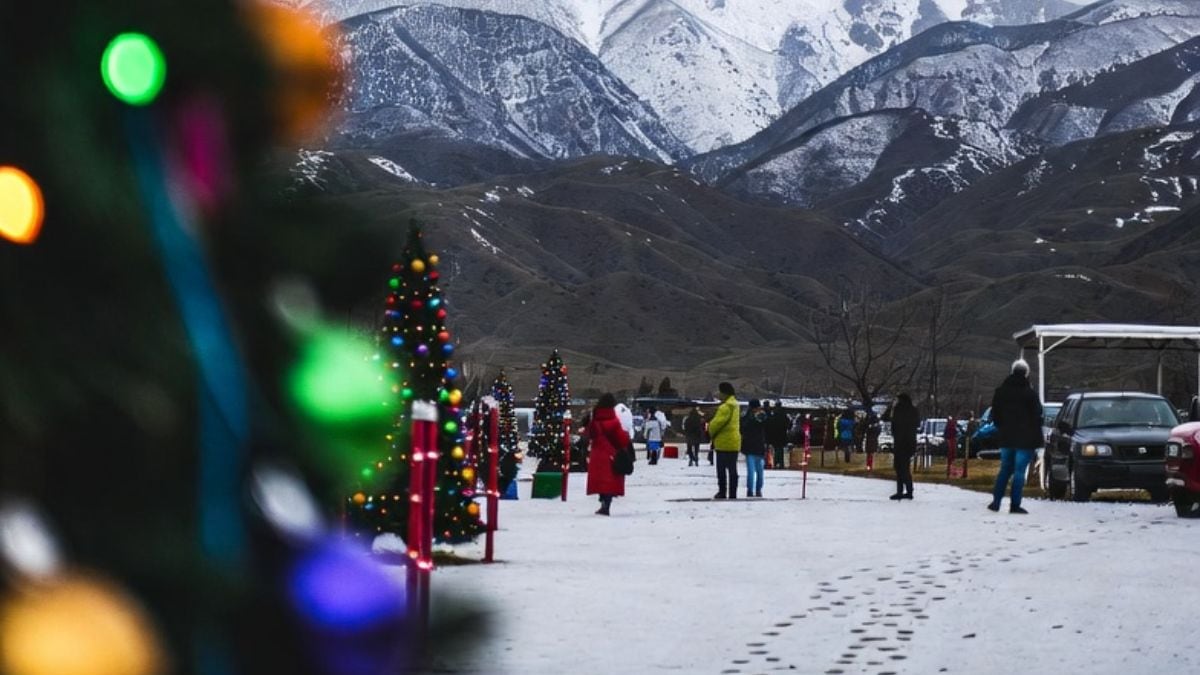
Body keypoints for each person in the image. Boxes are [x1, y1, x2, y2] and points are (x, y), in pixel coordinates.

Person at [987, 359, 1043, 515]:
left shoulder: (1001, 392)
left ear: (1012, 371)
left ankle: (996, 502)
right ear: (1026, 373)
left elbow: (995, 415)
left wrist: (1003, 428)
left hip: (1006, 437)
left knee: (1005, 469)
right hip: (1025, 439)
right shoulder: (1030, 394)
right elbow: (1037, 414)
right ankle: (1015, 504)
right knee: (1019, 471)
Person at [585, 393, 631, 516]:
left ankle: (602, 502)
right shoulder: (614, 421)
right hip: (611, 455)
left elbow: (589, 434)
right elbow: (622, 440)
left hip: (597, 455)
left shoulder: (594, 420)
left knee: (600, 481)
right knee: (609, 482)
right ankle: (606, 504)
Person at [708, 382, 742, 499]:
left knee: (721, 469)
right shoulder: (736, 405)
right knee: (733, 469)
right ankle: (733, 493)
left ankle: (722, 491)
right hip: (735, 442)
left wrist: (709, 430)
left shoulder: (725, 407)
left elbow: (716, 424)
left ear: (724, 393)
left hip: (723, 442)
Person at [884, 393, 919, 500]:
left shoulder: (898, 410)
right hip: (910, 442)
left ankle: (902, 491)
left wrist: (890, 407)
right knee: (904, 467)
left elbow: (885, 418)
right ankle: (908, 490)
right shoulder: (914, 410)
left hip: (900, 443)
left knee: (900, 468)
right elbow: (917, 424)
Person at [741, 399, 767, 497]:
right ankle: (758, 490)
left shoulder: (745, 417)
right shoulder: (762, 416)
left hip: (748, 447)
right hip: (759, 447)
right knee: (760, 471)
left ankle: (750, 490)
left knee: (750, 471)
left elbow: (742, 429)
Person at [765, 401, 789, 470]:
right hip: (782, 434)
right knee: (780, 449)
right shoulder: (784, 414)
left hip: (775, 435)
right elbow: (788, 424)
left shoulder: (774, 414)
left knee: (776, 449)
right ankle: (780, 463)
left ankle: (775, 463)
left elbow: (770, 424)